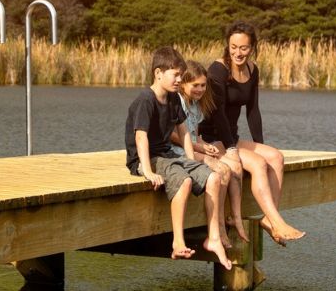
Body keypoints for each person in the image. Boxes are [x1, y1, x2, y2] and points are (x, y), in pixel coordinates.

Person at [125, 46, 232, 269]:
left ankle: (213, 237)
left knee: (213, 177)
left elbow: (184, 133)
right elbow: (140, 138)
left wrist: (192, 161)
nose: (179, 80)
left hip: (168, 155)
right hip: (148, 158)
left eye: (181, 75)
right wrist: (147, 171)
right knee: (184, 181)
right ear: (158, 73)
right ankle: (178, 242)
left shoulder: (173, 98)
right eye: (175, 75)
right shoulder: (146, 100)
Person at [201, 21, 305, 245]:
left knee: (275, 157)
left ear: (252, 47)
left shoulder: (252, 70)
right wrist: (230, 148)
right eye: (233, 47)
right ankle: (278, 222)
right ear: (227, 46)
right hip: (212, 138)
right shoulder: (218, 70)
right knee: (258, 163)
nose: (238, 53)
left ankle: (269, 219)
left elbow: (253, 111)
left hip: (232, 137)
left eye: (244, 48)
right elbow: (217, 113)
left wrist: (260, 145)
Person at [169, 62, 248, 247]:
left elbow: (195, 134)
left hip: (193, 147)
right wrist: (199, 147)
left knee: (233, 167)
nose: (200, 89)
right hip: (177, 151)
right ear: (183, 84)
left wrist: (204, 145)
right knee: (222, 169)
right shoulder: (177, 101)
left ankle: (231, 219)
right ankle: (218, 229)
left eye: (203, 85)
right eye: (195, 85)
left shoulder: (196, 105)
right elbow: (172, 135)